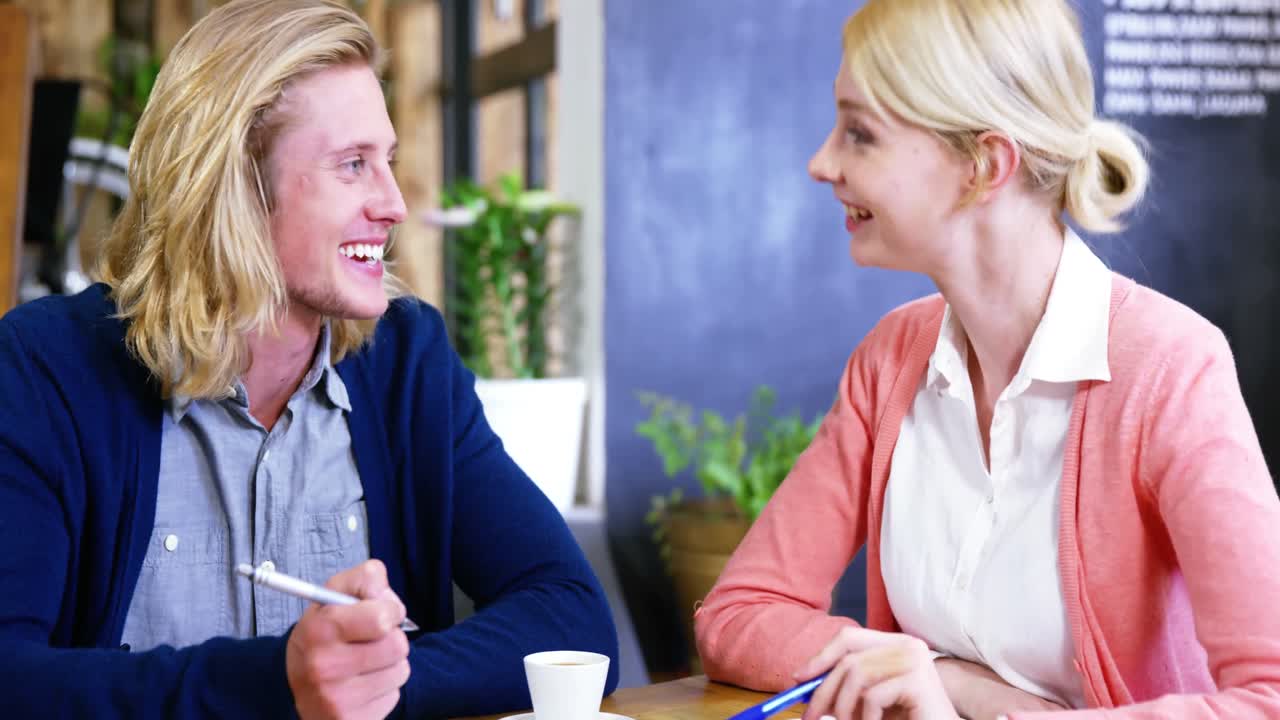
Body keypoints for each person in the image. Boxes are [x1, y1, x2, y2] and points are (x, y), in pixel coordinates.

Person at [0, 1, 618, 718]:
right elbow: (9, 679)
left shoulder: (406, 364)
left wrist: (372, 681)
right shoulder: (45, 368)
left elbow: (573, 619)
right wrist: (277, 683)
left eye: (388, 162)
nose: (393, 204)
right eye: (353, 165)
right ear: (232, 186)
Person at [694, 1, 1280, 719]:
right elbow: (738, 615)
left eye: (859, 134)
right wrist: (952, 681)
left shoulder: (1170, 369)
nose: (823, 163)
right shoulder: (890, 361)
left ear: (984, 165)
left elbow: (1270, 697)